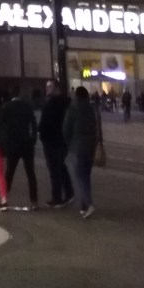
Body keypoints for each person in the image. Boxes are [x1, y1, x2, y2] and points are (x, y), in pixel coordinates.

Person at [63, 85, 98, 219]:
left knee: (79, 177)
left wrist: (69, 143)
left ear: (76, 96)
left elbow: (66, 129)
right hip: (90, 147)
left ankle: (88, 204)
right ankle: (84, 206)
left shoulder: (72, 109)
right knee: (86, 176)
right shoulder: (90, 109)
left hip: (77, 147)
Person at [38, 79, 74, 208]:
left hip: (51, 140)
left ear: (57, 88)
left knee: (54, 169)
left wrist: (42, 135)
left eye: (50, 86)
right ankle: (69, 192)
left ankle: (57, 197)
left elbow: (44, 124)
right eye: (46, 86)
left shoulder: (51, 104)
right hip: (63, 140)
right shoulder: (67, 103)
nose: (47, 89)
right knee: (61, 166)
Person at [2, 86, 38, 209]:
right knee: (30, 173)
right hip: (26, 143)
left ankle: (4, 199)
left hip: (13, 144)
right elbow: (33, 124)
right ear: (20, 94)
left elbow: (3, 126)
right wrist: (33, 139)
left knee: (9, 173)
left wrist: (4, 143)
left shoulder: (7, 107)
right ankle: (34, 201)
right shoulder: (27, 106)